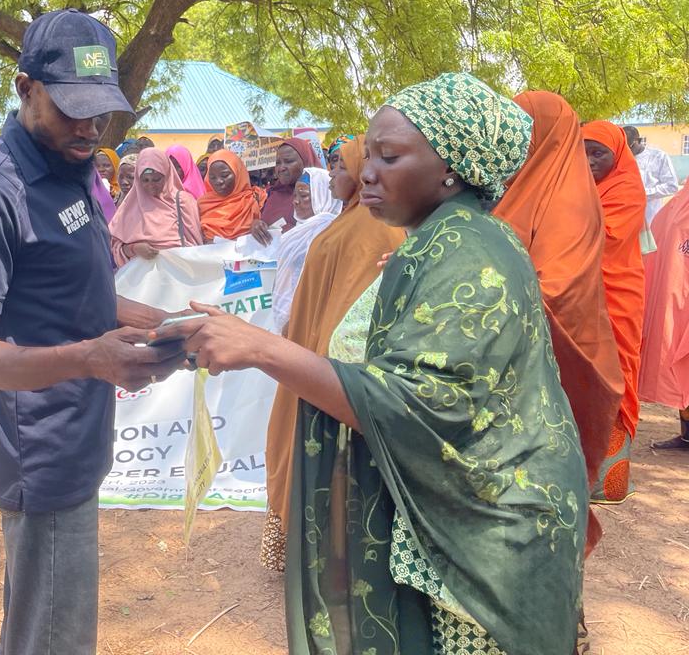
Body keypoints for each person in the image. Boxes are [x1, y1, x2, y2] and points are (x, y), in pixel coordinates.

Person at [171, 73, 586, 655]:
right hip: (459, 517)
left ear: (453, 167)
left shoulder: (466, 252)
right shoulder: (439, 241)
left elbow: (423, 405)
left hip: (485, 536)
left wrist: (262, 349)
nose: (367, 172)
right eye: (368, 155)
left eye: (389, 157)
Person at [0, 8, 187, 655]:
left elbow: (83, 297)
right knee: (55, 641)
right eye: (72, 107)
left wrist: (172, 325)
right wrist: (90, 359)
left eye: (101, 108)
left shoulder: (73, 170)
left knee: (39, 629)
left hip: (77, 438)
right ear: (25, 89)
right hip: (38, 455)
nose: (90, 126)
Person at [260, 138, 404, 571]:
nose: (337, 174)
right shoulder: (349, 218)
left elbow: (351, 313)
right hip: (308, 349)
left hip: (328, 362)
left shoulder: (374, 227)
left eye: (342, 165)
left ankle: (329, 557)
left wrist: (316, 367)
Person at [494, 92, 625, 548]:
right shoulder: (512, 186)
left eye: (522, 127)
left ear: (547, 135)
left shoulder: (567, 200)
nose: (510, 136)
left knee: (538, 493)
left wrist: (475, 293)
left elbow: (559, 291)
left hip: (548, 359)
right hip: (503, 359)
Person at [583, 119, 647, 504]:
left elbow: (603, 237)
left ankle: (610, 483)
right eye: (583, 151)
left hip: (615, 296)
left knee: (615, 377)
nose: (589, 160)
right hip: (584, 297)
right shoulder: (578, 187)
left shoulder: (626, 188)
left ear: (617, 154)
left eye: (598, 153)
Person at [639, 178, 689, 450]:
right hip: (675, 294)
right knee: (678, 367)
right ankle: (687, 435)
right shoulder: (678, 204)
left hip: (681, 294)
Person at [271, 168, 341, 334]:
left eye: (303, 196)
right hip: (286, 317)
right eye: (295, 195)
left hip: (311, 318)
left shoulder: (328, 231)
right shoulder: (297, 232)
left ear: (322, 195)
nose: (296, 201)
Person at [109, 148, 202, 266]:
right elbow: (116, 246)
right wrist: (134, 248)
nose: (150, 185)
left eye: (157, 179)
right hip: (141, 280)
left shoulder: (183, 201)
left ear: (167, 174)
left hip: (177, 276)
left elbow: (196, 246)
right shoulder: (130, 205)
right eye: (145, 180)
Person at [254, 138, 322, 242]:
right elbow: (264, 223)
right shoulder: (273, 194)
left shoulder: (322, 196)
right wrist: (257, 225)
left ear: (305, 161)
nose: (281, 168)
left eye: (289, 161)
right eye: (278, 163)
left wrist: (299, 233)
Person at [197, 150, 267, 242]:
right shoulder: (202, 205)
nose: (219, 181)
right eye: (213, 177)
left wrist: (258, 224)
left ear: (238, 172)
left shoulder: (256, 197)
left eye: (225, 175)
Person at [624, 125, 679, 227]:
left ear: (638, 141)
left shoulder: (659, 156)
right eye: (623, 148)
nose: (627, 151)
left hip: (650, 217)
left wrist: (644, 193)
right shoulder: (621, 158)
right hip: (626, 218)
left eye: (629, 147)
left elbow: (672, 186)